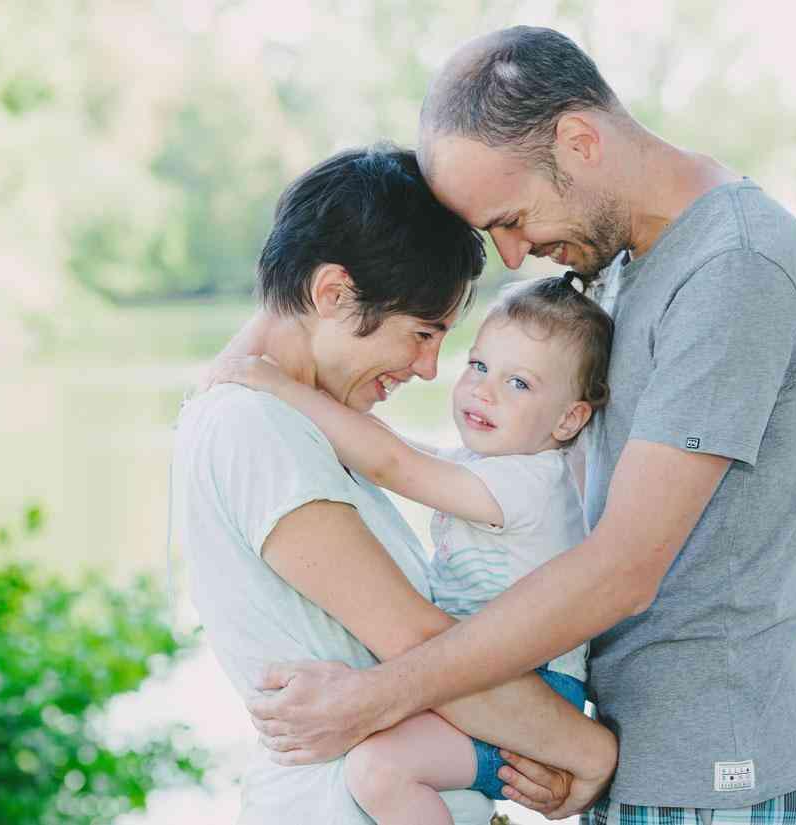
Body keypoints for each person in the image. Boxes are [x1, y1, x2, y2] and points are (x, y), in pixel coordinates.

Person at [246, 26, 796, 824]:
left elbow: (623, 567)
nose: (516, 253)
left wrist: (377, 697)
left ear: (579, 140)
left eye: (513, 216)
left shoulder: (735, 268)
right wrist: (565, 740)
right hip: (634, 756)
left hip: (715, 771)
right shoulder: (622, 268)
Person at [173, 144, 617, 825]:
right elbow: (416, 642)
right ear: (332, 294)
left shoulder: (301, 418)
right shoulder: (254, 427)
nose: (431, 368)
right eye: (421, 333)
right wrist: (586, 749)